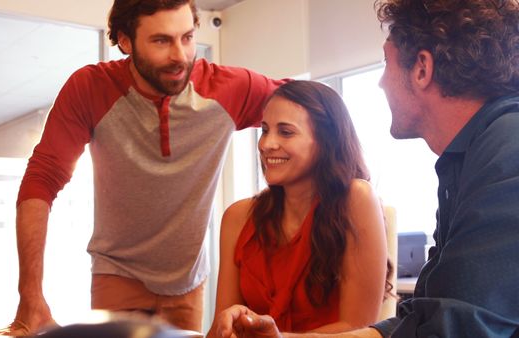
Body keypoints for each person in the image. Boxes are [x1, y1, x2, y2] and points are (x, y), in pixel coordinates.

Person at [210, 0, 519, 337]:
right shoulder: (469, 158)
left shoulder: (507, 147)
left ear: (422, 68)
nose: (381, 82)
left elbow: (457, 326)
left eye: (386, 63)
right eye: (265, 130)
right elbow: (426, 317)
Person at [3, 0, 284, 335]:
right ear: (125, 41)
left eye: (187, 37)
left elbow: (311, 108)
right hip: (117, 275)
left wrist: (353, 183)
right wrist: (30, 294)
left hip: (188, 283)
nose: (180, 55)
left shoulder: (228, 88)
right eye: (162, 41)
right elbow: (41, 181)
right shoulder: (90, 88)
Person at [207, 80, 390, 337]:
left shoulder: (356, 198)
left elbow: (358, 328)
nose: (266, 144)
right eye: (265, 130)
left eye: (286, 132)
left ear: (326, 141)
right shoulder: (237, 217)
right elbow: (221, 328)